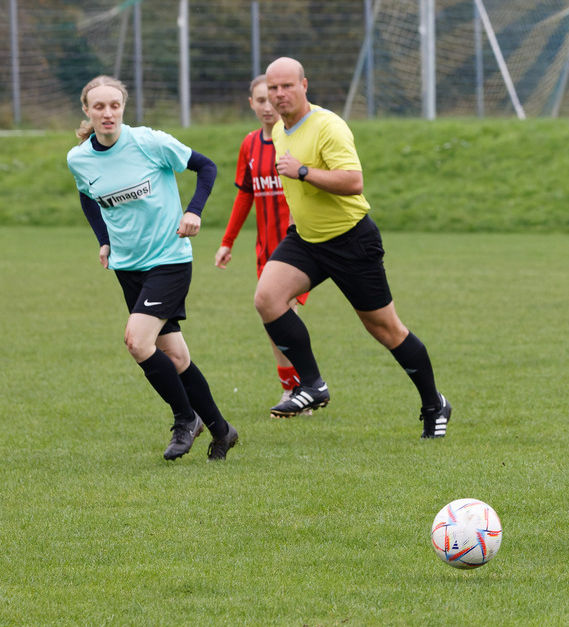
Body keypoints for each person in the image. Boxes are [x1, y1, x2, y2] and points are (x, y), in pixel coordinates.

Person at [254, 56, 452, 437]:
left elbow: (353, 181)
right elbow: (295, 190)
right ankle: (312, 384)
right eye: (272, 88)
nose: (279, 95)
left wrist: (303, 172)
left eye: (287, 86)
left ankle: (434, 403)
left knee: (385, 329)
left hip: (351, 241)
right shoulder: (280, 129)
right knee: (267, 298)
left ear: (304, 86)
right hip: (307, 239)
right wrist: (296, 221)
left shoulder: (328, 126)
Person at [68, 75, 239, 461]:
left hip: (169, 259)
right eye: (99, 106)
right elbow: (87, 197)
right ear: (87, 110)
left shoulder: (149, 141)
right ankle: (221, 431)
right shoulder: (79, 158)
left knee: (137, 342)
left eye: (115, 105)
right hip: (127, 267)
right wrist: (104, 239)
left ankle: (186, 419)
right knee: (175, 358)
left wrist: (194, 211)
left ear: (123, 107)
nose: (108, 113)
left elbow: (206, 167)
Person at [215, 75, 310, 410]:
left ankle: (302, 388)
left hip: (298, 247)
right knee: (273, 321)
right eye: (260, 100)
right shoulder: (249, 144)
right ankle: (294, 387)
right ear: (251, 104)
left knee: (284, 313)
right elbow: (245, 195)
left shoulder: (296, 140)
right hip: (266, 250)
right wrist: (227, 242)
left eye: (271, 99)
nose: (267, 106)